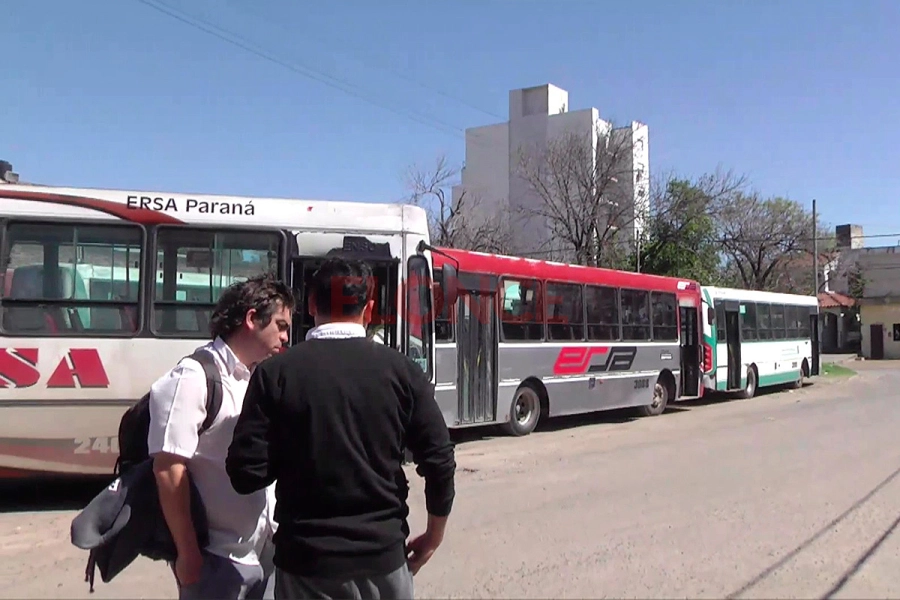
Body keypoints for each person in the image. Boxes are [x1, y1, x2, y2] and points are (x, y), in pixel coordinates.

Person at [226, 256, 456, 600]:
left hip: (305, 566)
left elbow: (245, 474)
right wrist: (433, 536)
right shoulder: (401, 371)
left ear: (312, 303)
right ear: (370, 308)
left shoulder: (276, 374)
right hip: (383, 562)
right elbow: (439, 462)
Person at [148, 272, 295, 599]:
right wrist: (188, 553)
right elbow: (168, 468)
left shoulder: (259, 378)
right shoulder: (194, 377)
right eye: (281, 326)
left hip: (261, 552)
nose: (287, 337)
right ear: (252, 319)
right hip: (215, 558)